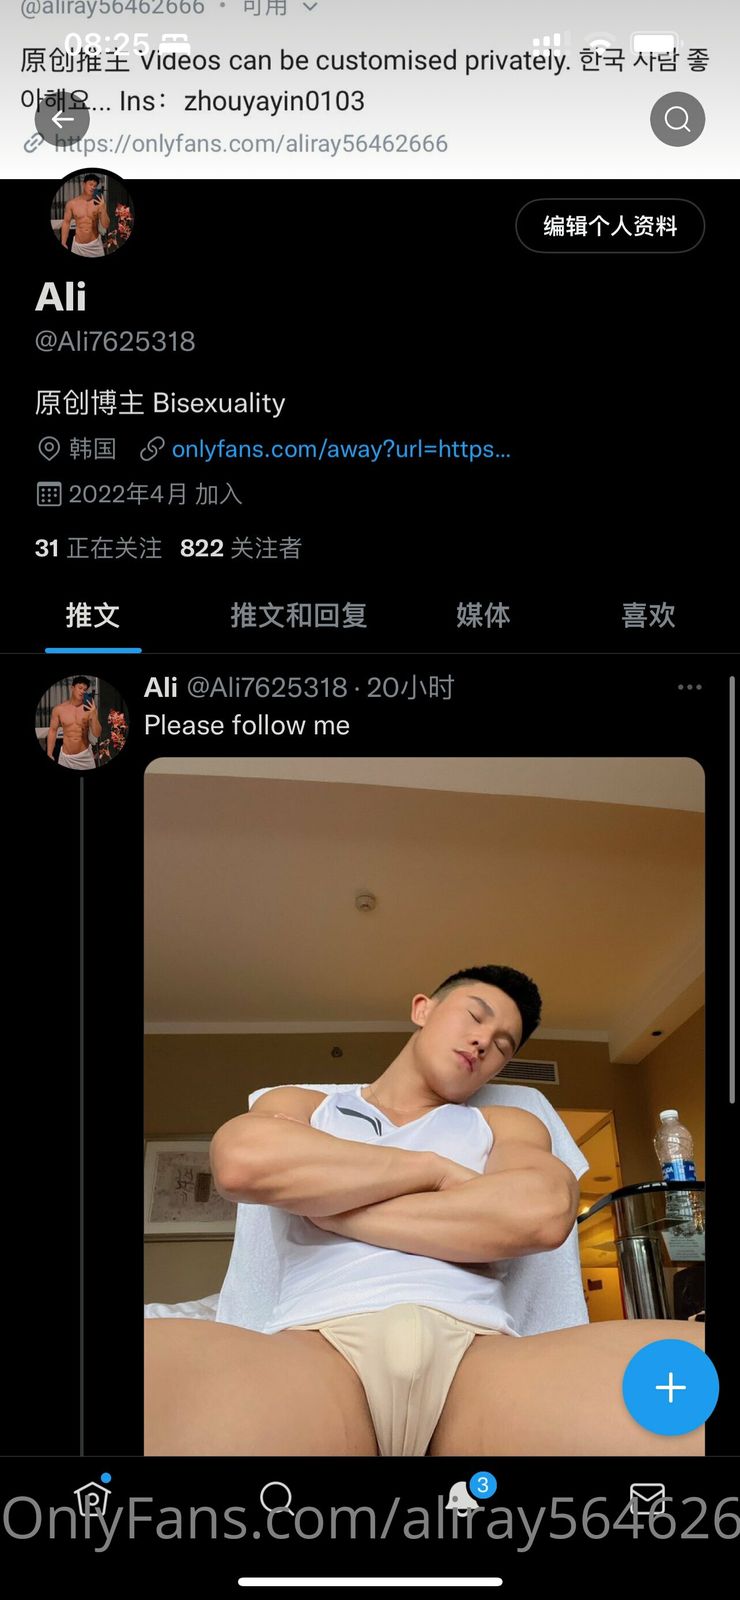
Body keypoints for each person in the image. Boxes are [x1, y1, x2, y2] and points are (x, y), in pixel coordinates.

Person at [144, 964, 706, 1456]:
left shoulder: (506, 1123)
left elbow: (540, 1213)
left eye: (504, 1044)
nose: (484, 1041)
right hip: (319, 1351)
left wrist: (336, 1210)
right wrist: (435, 1173)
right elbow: (243, 1164)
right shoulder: (304, 1104)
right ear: (423, 1009)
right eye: (475, 1016)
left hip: (478, 1361)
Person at [47, 676, 101, 770]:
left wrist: (93, 714)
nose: (82, 691)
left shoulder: (90, 709)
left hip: (85, 756)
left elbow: (97, 734)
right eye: (80, 688)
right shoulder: (59, 709)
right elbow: (52, 731)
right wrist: (49, 753)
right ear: (72, 688)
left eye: (85, 690)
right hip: (65, 757)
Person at [61, 174, 109, 258]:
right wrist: (63, 242)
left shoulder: (99, 203)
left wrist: (103, 209)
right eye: (90, 184)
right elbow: (66, 223)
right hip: (78, 246)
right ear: (83, 184)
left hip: (95, 245)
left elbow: (106, 225)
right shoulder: (72, 203)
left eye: (95, 186)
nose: (93, 187)